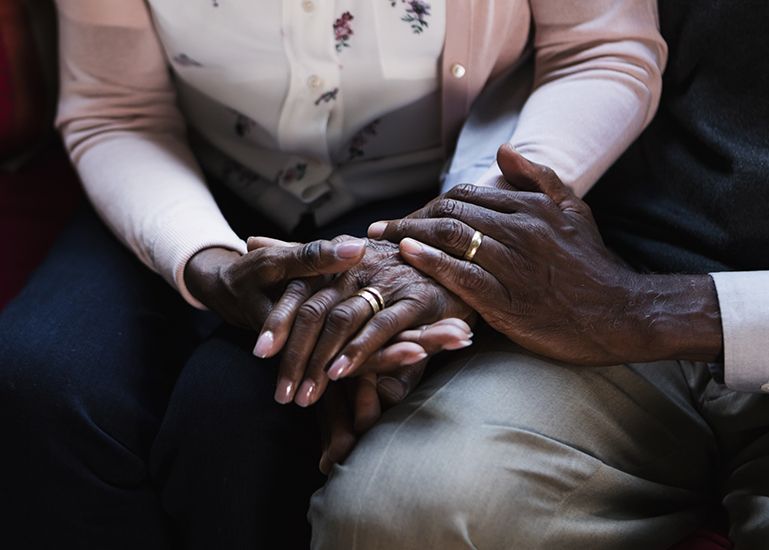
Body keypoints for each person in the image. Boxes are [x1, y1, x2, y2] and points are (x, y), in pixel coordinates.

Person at [0, 1, 666, 548]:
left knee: (244, 412)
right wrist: (203, 259)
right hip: (184, 179)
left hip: (446, 186)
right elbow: (120, 110)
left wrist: (463, 233)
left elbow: (597, 52)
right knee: (42, 381)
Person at [308, 1, 769, 548]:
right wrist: (443, 266)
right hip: (584, 300)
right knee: (393, 516)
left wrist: (637, 311)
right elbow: (574, 51)